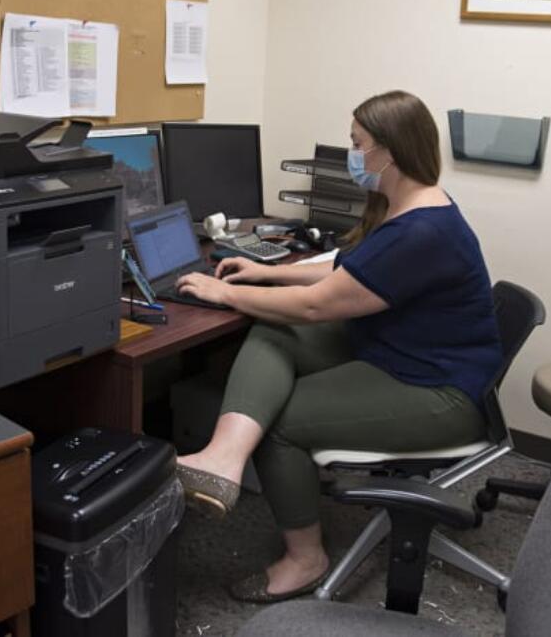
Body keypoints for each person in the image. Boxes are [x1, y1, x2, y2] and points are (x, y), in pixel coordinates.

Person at [173, 90, 502, 603]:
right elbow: (346, 269)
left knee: (280, 425)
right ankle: (222, 456)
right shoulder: (408, 204)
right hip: (398, 353)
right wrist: (267, 271)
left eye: (357, 144)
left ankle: (306, 559)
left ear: (388, 152)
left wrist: (227, 292)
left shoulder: (423, 231)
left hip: (439, 392)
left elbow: (316, 306)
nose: (351, 154)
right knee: (272, 330)